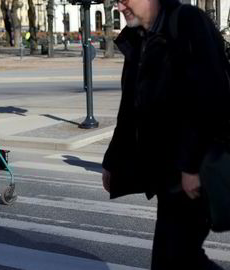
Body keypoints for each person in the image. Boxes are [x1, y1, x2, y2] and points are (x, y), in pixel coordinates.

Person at [102, 0, 230, 269]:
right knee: (174, 259)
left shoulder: (187, 22)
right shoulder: (140, 37)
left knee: (177, 258)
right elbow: (130, 109)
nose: (119, 5)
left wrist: (191, 167)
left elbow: (212, 95)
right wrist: (112, 162)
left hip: (194, 170)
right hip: (167, 174)